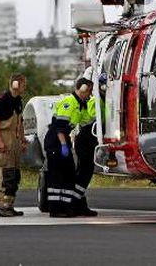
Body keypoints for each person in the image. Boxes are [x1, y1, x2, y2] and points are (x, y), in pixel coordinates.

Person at [43, 77, 93, 218]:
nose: (89, 95)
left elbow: (87, 120)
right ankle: (55, 209)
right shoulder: (69, 102)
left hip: (63, 140)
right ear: (82, 89)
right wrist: (64, 145)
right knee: (57, 175)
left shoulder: (80, 104)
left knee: (68, 174)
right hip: (56, 141)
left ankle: (66, 207)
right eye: (88, 91)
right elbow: (59, 127)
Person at [0, 73, 28, 217]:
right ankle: (2, 205)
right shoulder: (1, 100)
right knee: (6, 175)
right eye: (23, 84)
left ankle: (9, 204)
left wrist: (23, 140)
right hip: (4, 140)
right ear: (16, 84)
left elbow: (20, 121)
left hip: (14, 140)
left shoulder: (18, 100)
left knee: (14, 175)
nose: (25, 87)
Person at [72, 72, 108, 217]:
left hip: (88, 140)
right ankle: (75, 202)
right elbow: (92, 120)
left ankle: (79, 202)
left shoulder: (102, 99)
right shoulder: (96, 101)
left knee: (84, 172)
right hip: (86, 140)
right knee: (84, 172)